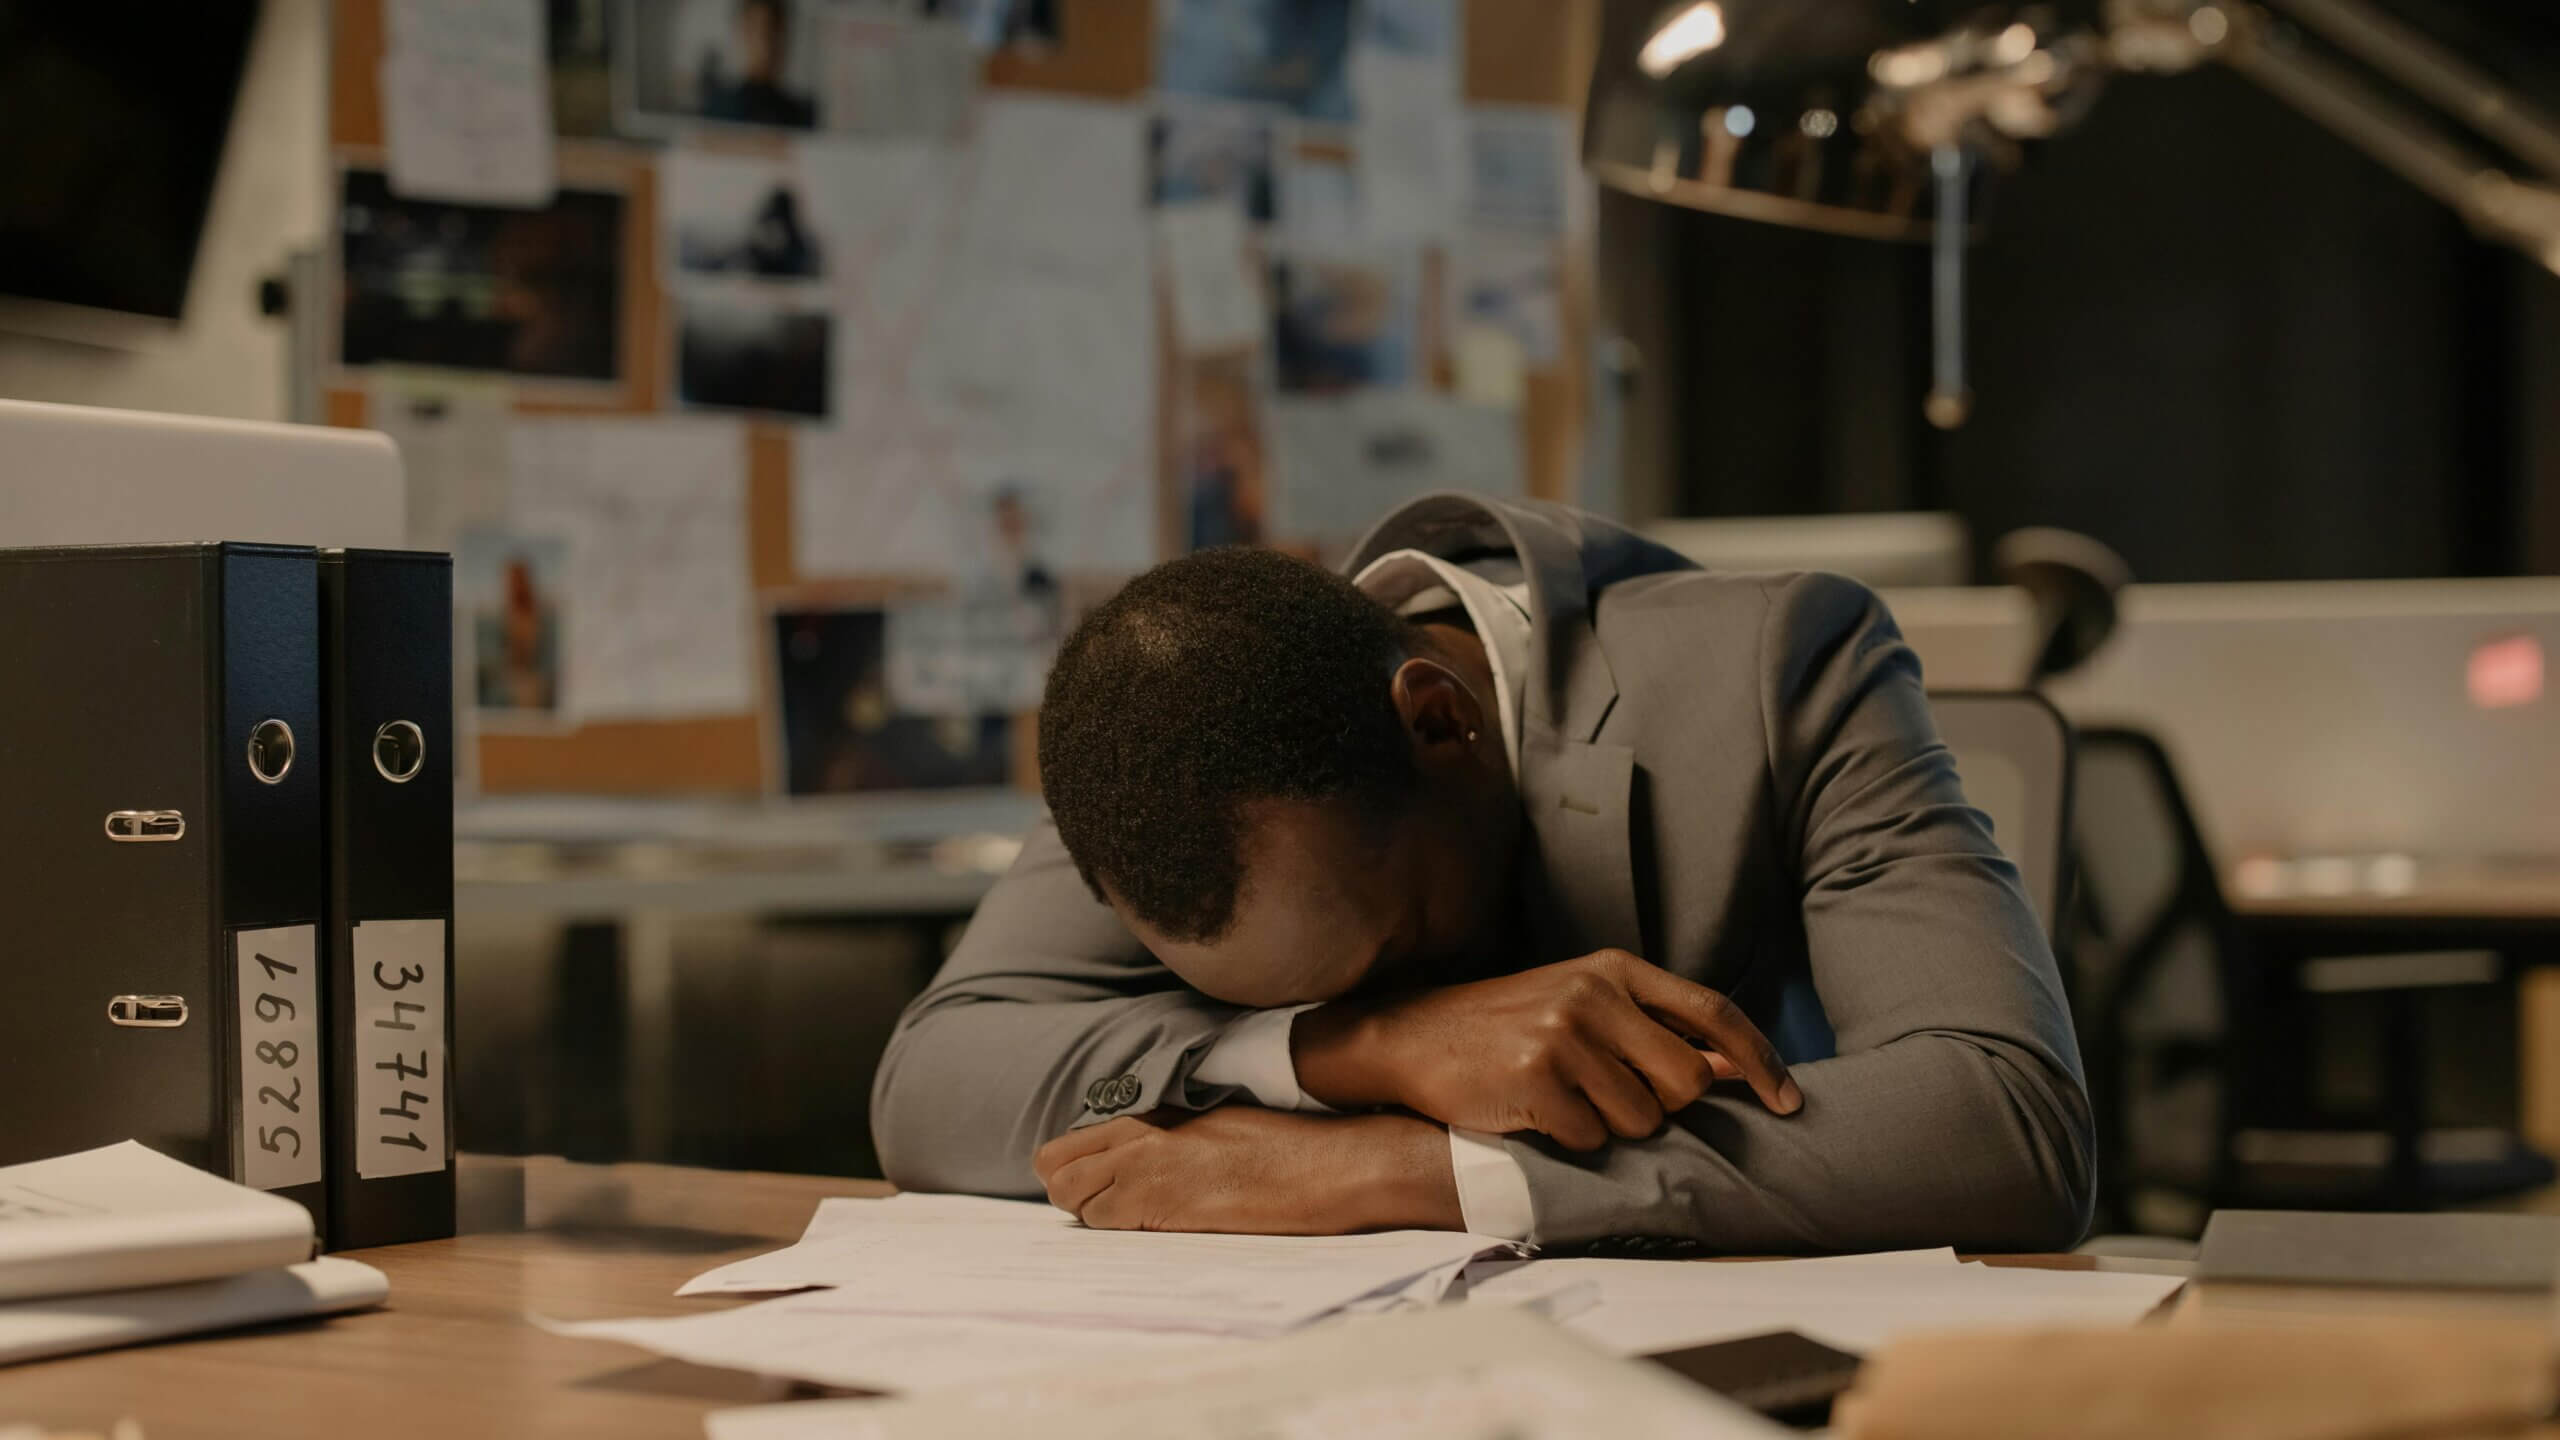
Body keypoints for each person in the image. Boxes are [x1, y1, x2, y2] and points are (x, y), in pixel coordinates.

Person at [872, 493, 2093, 1252]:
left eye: (1390, 959)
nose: (1380, 1000)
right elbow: (930, 1085)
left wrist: (1400, 1167)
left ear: (1440, 724)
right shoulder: (1166, 746)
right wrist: (1356, 1047)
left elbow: (2000, 1126)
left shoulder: (1786, 666)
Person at [699, 0, 816, 130]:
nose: (767, 43)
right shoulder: (717, 110)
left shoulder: (802, 115)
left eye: (776, 31)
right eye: (758, 30)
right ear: (742, 33)